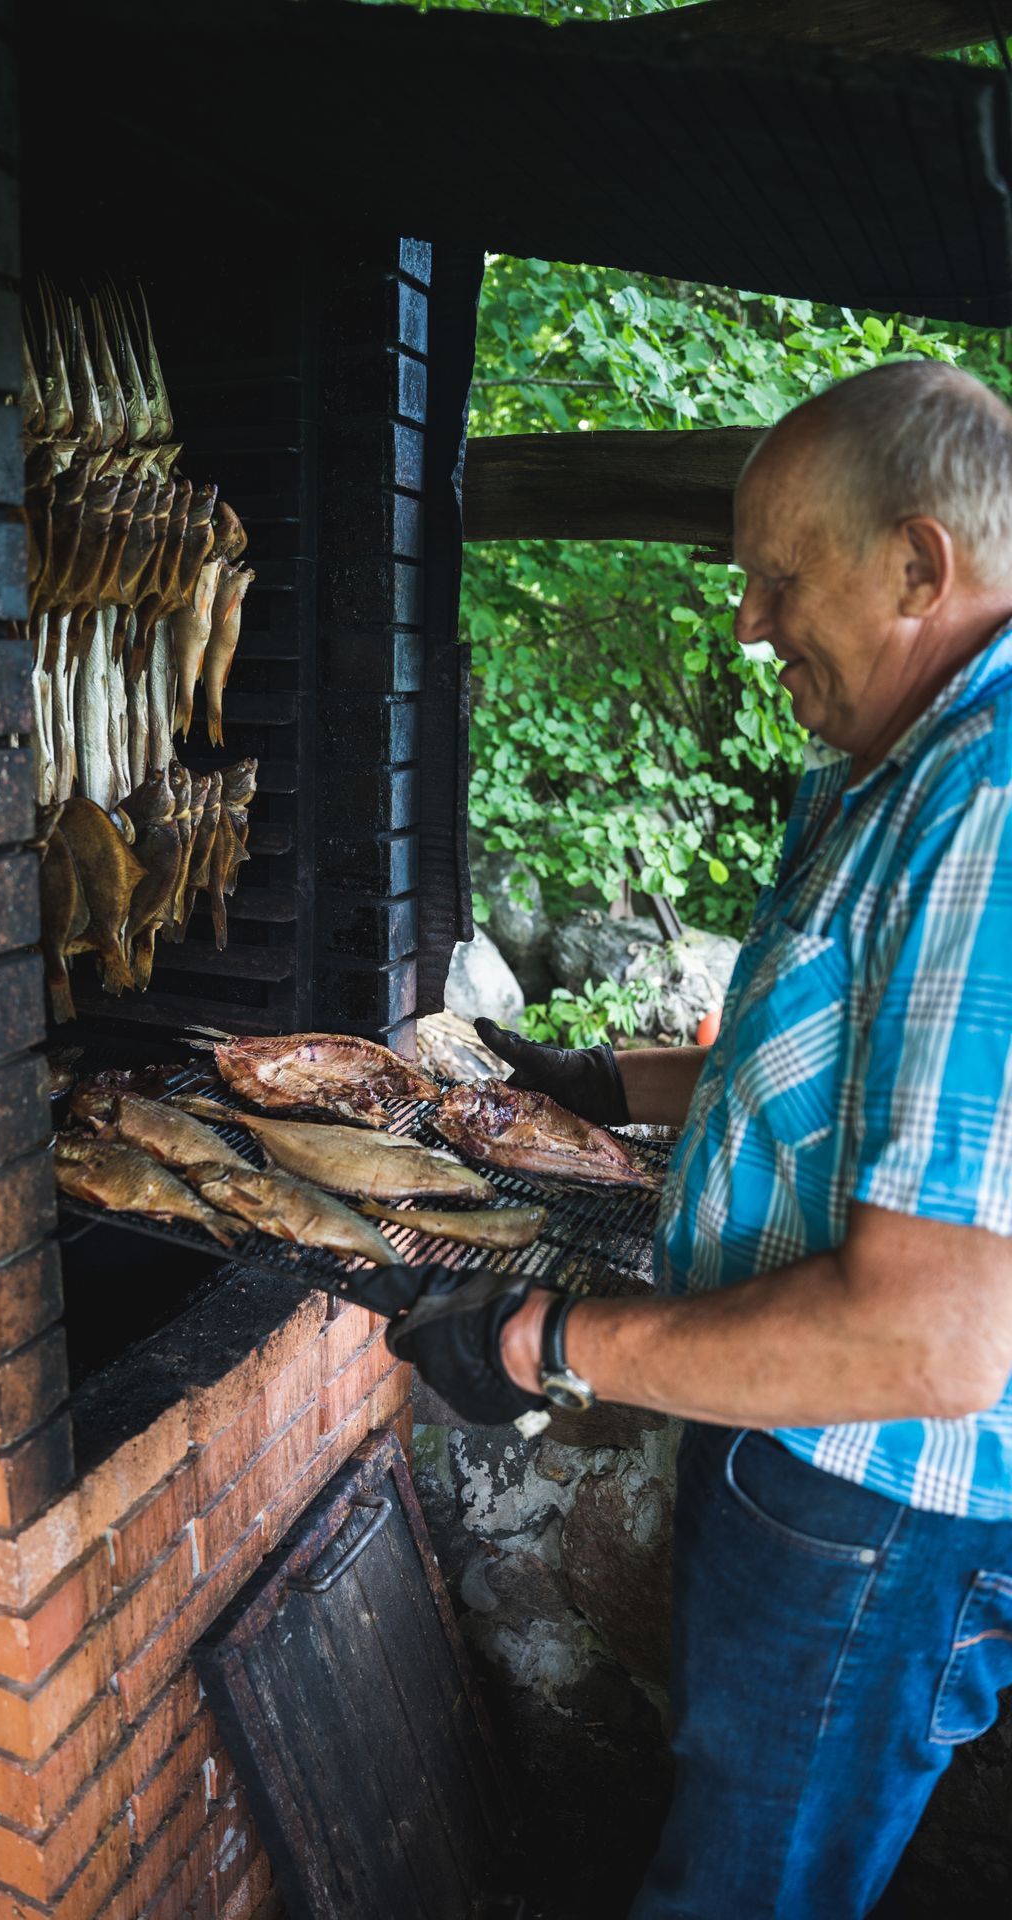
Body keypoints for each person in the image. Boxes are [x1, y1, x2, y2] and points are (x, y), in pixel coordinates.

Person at [381, 361, 1012, 1918]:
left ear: (920, 563)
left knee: (745, 1891)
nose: (747, 624)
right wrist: (597, 1082)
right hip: (798, 1464)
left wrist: (545, 1344)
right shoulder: (904, 773)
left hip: (868, 1511)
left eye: (778, 579)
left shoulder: (993, 809)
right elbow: (812, 1070)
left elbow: (929, 1344)